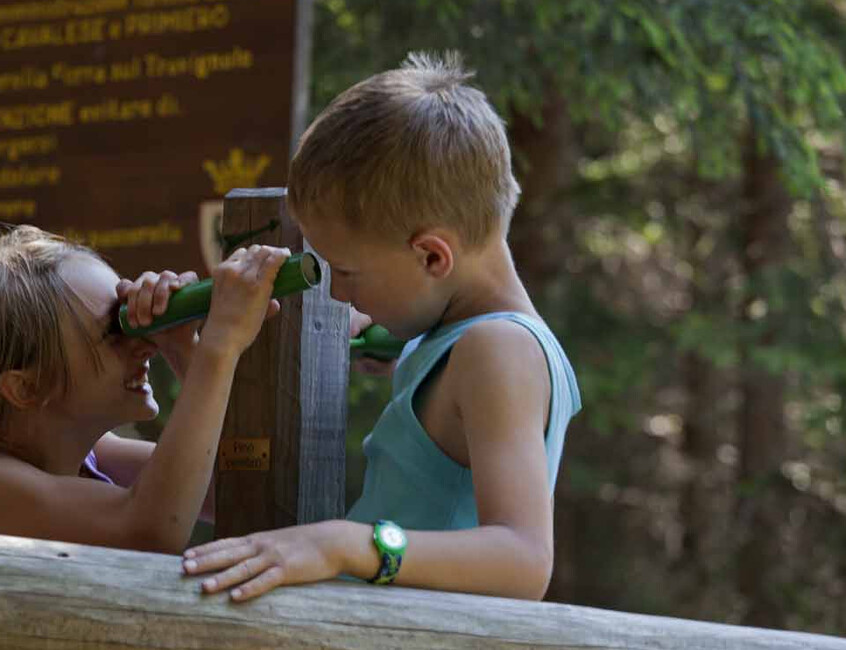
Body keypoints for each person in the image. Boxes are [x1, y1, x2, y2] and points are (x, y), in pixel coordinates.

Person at [181, 51, 582, 600]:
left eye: (345, 272)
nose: (338, 294)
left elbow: (522, 560)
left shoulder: (498, 350)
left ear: (433, 257)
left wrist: (346, 544)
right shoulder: (456, 340)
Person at [0, 225, 289, 554]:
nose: (146, 344)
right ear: (25, 387)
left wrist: (183, 349)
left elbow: (247, 492)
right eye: (115, 333)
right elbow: (150, 532)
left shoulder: (94, 458)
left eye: (132, 321)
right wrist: (218, 347)